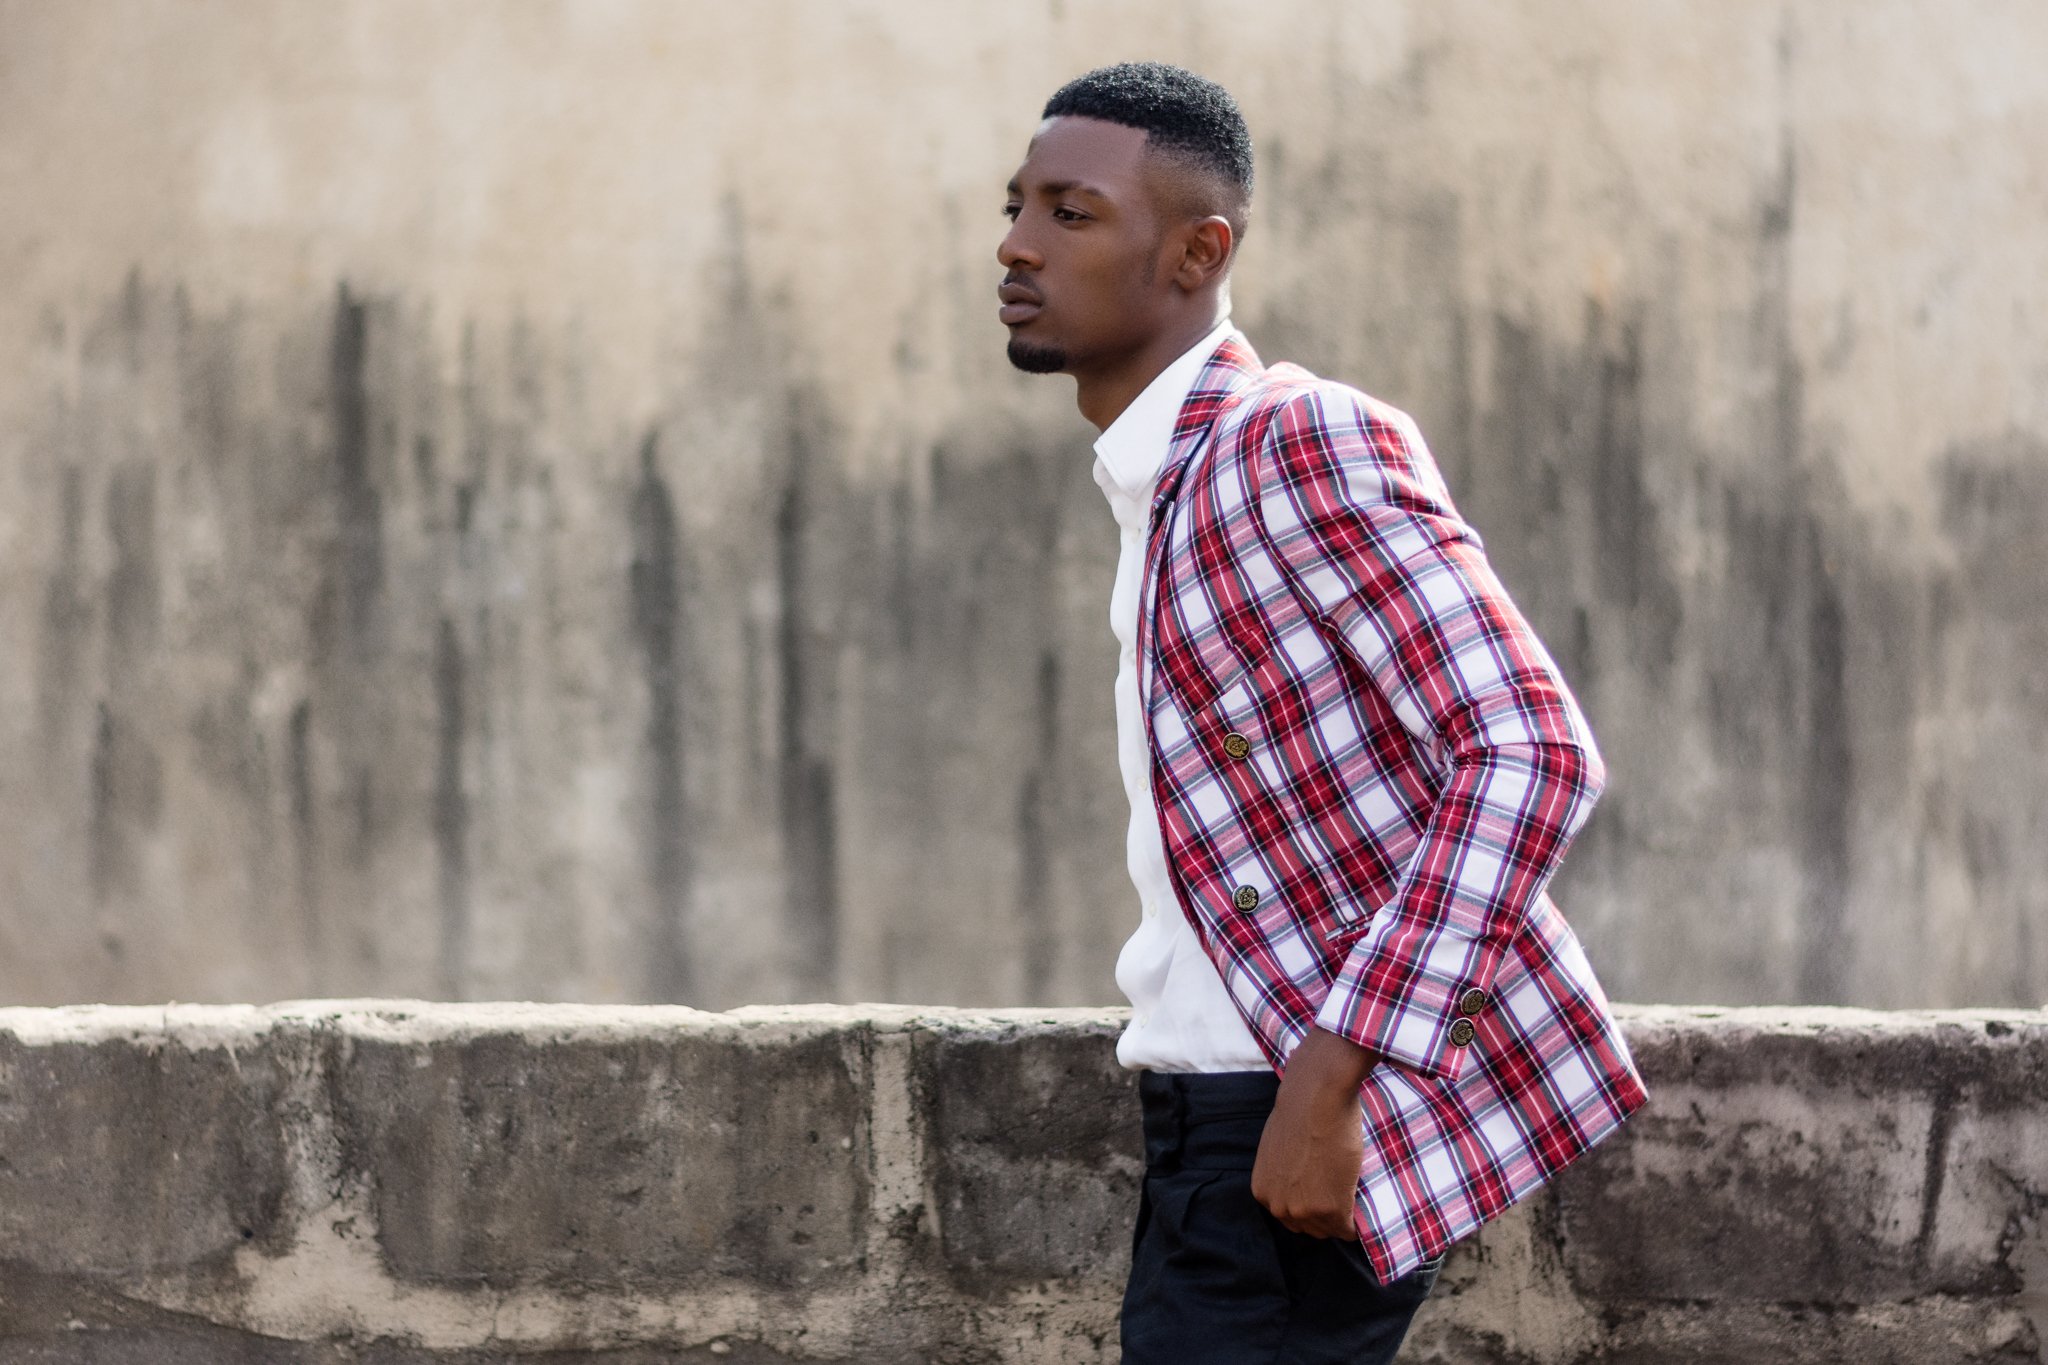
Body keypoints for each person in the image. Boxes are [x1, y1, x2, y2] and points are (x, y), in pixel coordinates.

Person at [997, 62, 1649, 1363]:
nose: (1014, 245)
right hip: (1211, 1125)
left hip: (1280, 1120)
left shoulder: (1295, 440)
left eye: (1071, 214)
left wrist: (1336, 1065)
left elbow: (1529, 746)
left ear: (1199, 252)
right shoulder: (1162, 489)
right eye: (1014, 205)